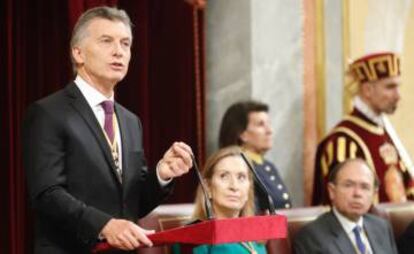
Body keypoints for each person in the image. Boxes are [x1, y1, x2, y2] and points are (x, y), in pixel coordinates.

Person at [22, 6, 193, 254]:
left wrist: (161, 174)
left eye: (125, 44)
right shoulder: (48, 113)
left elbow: (132, 205)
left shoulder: (130, 121)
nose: (118, 52)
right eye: (106, 41)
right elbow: (48, 194)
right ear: (78, 53)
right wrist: (104, 225)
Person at [312, 52, 414, 205]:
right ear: (367, 90)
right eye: (390, 87)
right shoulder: (344, 140)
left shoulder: (384, 132)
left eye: (397, 86)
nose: (398, 95)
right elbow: (344, 205)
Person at [172, 146, 267, 254]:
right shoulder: (192, 235)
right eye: (224, 176)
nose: (234, 186)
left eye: (241, 177)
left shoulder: (256, 233)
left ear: (249, 188)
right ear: (208, 187)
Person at [294, 159, 398, 254]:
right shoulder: (311, 236)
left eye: (365, 187)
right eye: (348, 185)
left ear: (374, 195)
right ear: (332, 191)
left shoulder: (382, 227)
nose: (357, 193)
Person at [219, 101, 292, 211]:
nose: (270, 131)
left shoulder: (267, 166)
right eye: (261, 124)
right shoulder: (237, 168)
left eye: (269, 124)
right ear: (242, 134)